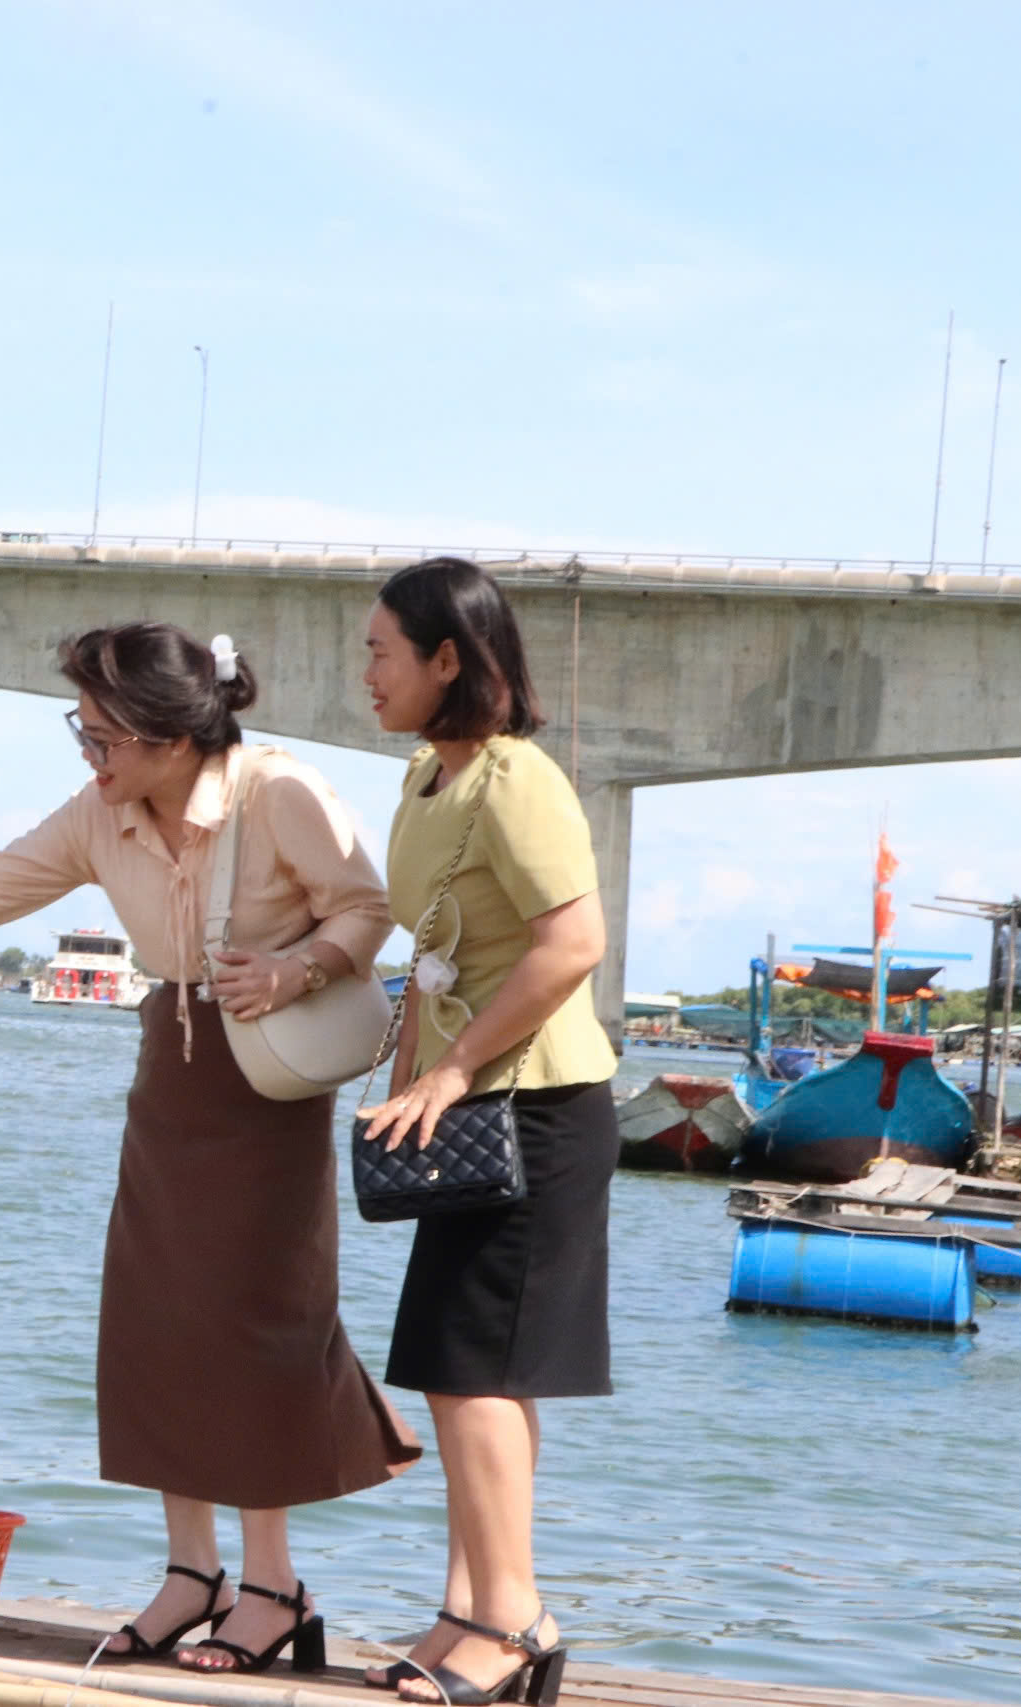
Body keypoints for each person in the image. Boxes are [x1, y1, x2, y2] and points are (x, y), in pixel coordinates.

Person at [0, 623, 416, 1671]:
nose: (89, 757)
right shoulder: (100, 815)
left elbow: (367, 907)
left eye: (103, 738)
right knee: (155, 1322)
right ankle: (193, 1574)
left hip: (268, 1077)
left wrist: (298, 970)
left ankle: (274, 1584)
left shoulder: (277, 791)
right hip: (172, 1072)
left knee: (260, 1323)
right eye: (83, 734)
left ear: (170, 734)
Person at [353, 556, 616, 1706]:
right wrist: (409, 1085)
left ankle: (514, 1619)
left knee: (479, 1373)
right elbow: (432, 954)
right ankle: (469, 1607)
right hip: (465, 1112)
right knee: (456, 1372)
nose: (362, 671)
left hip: (539, 1110)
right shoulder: (427, 776)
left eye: (379, 652)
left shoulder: (517, 779)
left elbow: (573, 943)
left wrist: (452, 1072)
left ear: (445, 659)